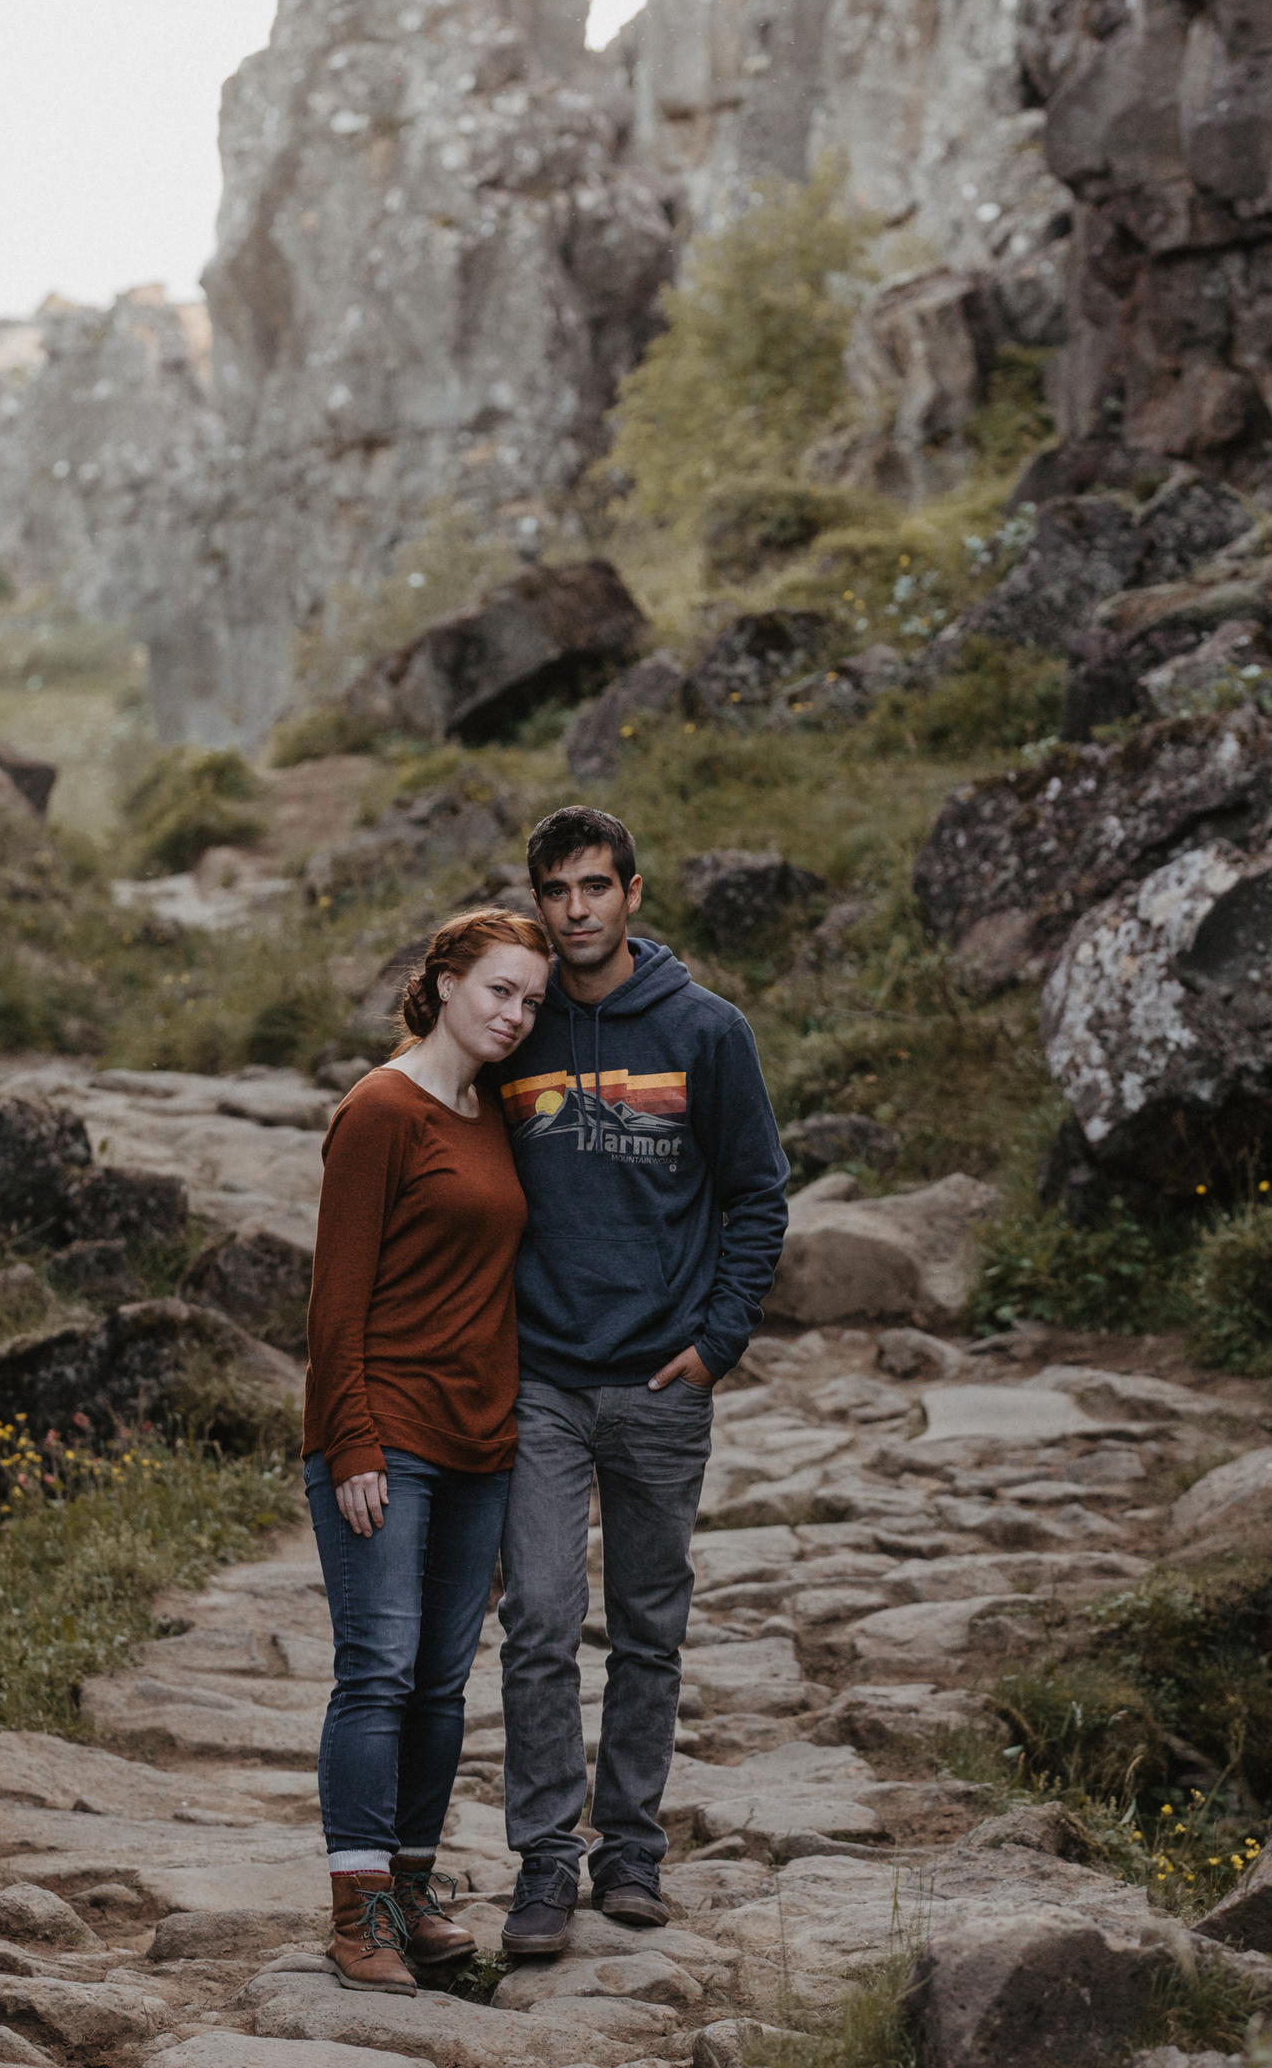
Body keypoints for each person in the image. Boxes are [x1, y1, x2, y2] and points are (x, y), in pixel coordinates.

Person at [494, 806, 790, 1950]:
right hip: (544, 1380)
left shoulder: (706, 1029)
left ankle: (632, 1848)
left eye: (596, 886)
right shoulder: (513, 1026)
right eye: (558, 889)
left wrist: (717, 1343)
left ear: (632, 893)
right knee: (540, 1623)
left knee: (648, 1628)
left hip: (663, 1381)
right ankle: (542, 1863)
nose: (578, 908)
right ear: (537, 898)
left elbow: (757, 1191)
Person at [304, 906, 554, 1995]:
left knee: (444, 1685)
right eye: (499, 989)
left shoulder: (495, 1113)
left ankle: (411, 1888)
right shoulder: (379, 1108)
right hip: (384, 1439)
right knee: (379, 1672)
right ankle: (356, 1913)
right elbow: (333, 1302)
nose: (516, 1014)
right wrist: (350, 1438)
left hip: (477, 1445)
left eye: (533, 1000)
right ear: (444, 981)